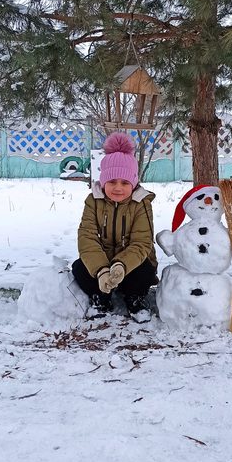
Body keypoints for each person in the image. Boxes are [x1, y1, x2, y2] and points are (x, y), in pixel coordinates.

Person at [72, 132, 158, 321]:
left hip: (130, 264)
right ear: (103, 181)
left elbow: (142, 242)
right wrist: (102, 269)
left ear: (133, 182)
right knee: (79, 268)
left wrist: (121, 265)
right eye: (112, 181)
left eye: (124, 182)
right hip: (101, 261)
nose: (118, 187)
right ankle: (101, 298)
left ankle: (134, 298)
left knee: (145, 270)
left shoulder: (141, 203)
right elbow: (87, 237)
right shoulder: (93, 201)